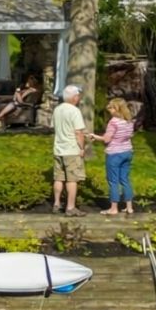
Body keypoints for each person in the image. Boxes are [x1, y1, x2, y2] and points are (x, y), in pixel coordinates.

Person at [91, 98, 136, 215]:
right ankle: (129, 207)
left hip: (114, 153)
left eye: (111, 108)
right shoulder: (129, 121)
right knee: (125, 179)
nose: (109, 110)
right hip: (127, 152)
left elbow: (107, 139)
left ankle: (113, 208)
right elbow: (129, 135)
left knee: (113, 181)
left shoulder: (113, 122)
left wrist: (95, 136)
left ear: (117, 108)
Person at [52, 84, 88, 217]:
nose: (78, 98)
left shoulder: (57, 109)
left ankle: (56, 203)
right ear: (74, 97)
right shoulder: (74, 111)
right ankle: (70, 207)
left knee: (58, 178)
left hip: (58, 148)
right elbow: (78, 132)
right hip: (71, 150)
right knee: (72, 179)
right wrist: (82, 148)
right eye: (78, 96)